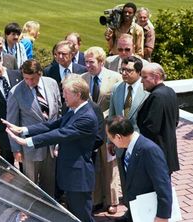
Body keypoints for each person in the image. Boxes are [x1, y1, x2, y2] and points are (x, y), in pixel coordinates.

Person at [3, 74, 98, 222]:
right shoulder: (74, 110)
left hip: (79, 177)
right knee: (73, 215)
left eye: (66, 93)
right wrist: (24, 130)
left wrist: (27, 142)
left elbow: (60, 134)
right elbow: (52, 124)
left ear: (78, 94)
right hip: (70, 174)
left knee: (82, 217)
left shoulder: (86, 117)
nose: (63, 97)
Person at [6, 59, 61, 196]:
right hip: (30, 148)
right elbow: (12, 123)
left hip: (51, 144)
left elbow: (58, 111)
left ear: (40, 73)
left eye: (33, 79)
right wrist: (16, 149)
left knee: (49, 184)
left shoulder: (52, 84)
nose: (29, 82)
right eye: (26, 79)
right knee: (30, 187)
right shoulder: (16, 92)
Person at [106, 116, 172, 222]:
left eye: (110, 138)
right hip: (137, 209)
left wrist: (162, 216)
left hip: (150, 212)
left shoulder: (149, 150)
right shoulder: (128, 148)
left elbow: (163, 186)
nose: (110, 141)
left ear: (118, 137)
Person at [81, 46, 122, 213]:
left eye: (91, 62)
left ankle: (112, 200)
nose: (88, 66)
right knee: (94, 164)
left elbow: (117, 104)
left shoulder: (115, 78)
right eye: (86, 62)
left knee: (110, 165)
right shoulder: (83, 78)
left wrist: (102, 117)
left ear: (101, 62)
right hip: (91, 131)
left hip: (108, 128)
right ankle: (96, 199)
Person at [107, 56, 149, 212]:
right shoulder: (117, 88)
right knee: (124, 181)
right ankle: (129, 211)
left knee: (139, 181)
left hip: (139, 144)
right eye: (122, 70)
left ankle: (140, 213)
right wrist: (110, 141)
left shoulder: (146, 90)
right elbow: (112, 115)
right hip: (119, 145)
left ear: (138, 72)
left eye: (128, 70)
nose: (124, 73)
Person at [137, 62, 180, 174]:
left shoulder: (156, 96)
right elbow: (175, 120)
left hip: (157, 153)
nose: (141, 81)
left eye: (145, 77)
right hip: (167, 150)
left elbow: (151, 127)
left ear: (156, 77)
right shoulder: (170, 91)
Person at [43, 40, 87, 112]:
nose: (60, 56)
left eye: (64, 54)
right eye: (58, 53)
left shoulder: (82, 71)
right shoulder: (48, 72)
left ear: (72, 55)